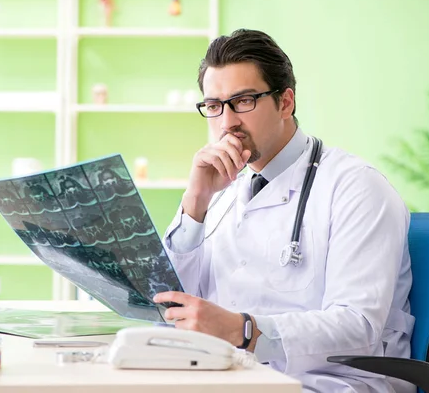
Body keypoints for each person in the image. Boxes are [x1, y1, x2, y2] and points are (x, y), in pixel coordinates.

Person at [152, 29, 415, 393]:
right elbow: (169, 302)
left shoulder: (356, 187)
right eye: (214, 106)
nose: (227, 123)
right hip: (234, 377)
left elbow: (359, 326)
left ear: (285, 102)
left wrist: (244, 330)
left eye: (243, 101)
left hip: (329, 384)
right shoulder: (222, 192)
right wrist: (195, 202)